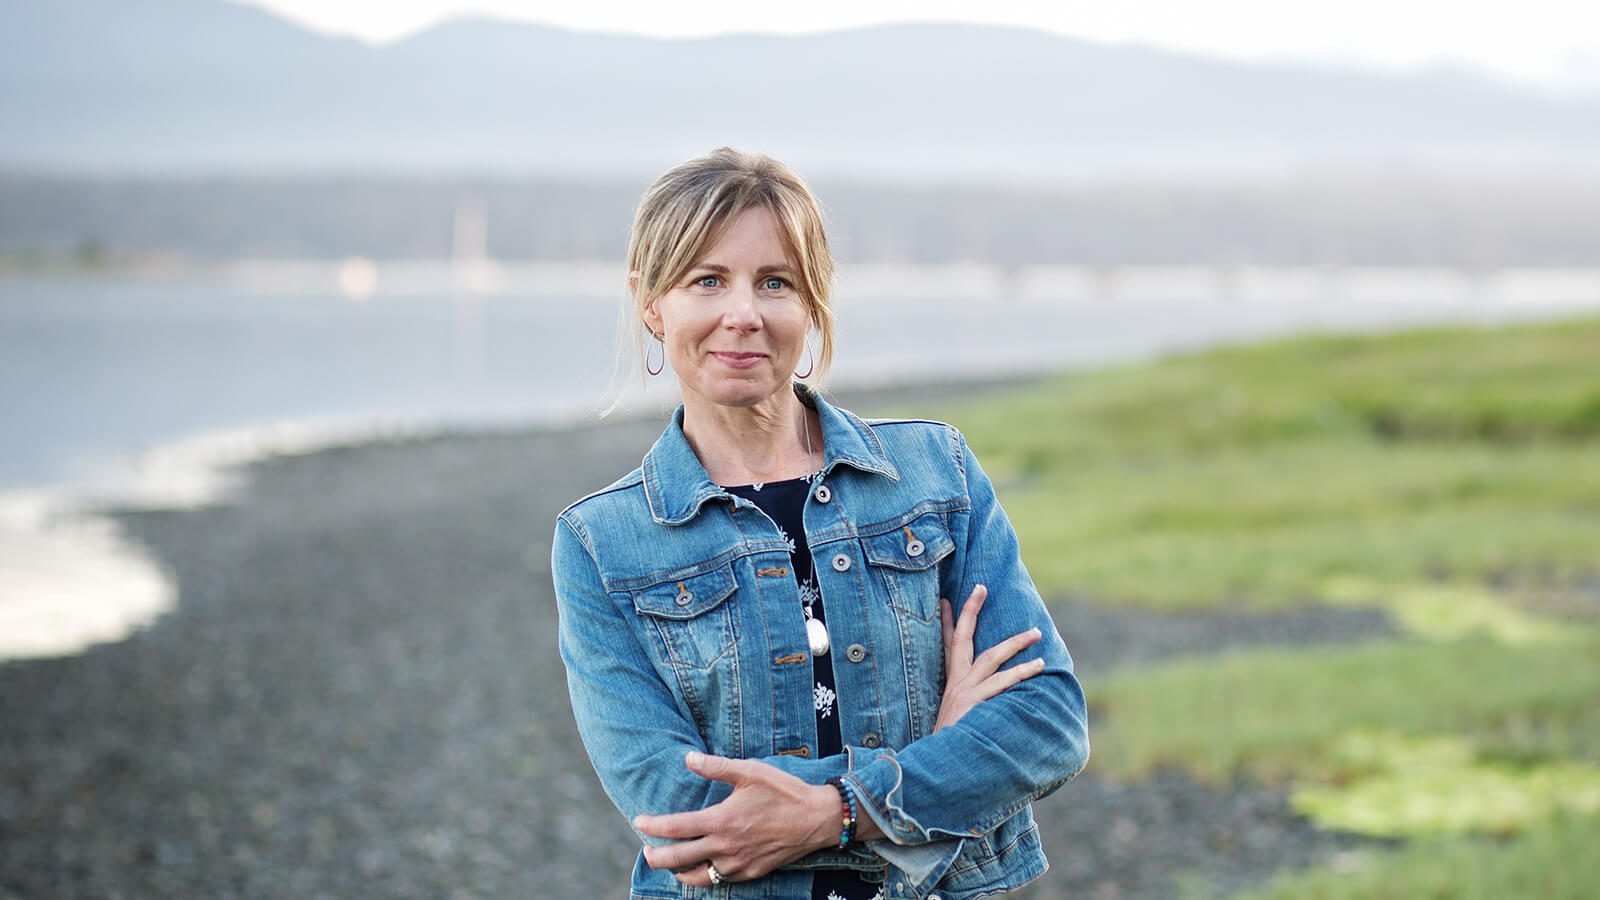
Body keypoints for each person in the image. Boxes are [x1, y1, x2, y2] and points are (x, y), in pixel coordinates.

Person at [551, 147, 1088, 900]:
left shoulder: (936, 473)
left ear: (812, 303)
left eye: (775, 282)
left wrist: (830, 812)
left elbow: (1048, 722)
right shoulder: (601, 544)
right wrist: (937, 756)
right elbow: (680, 815)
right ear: (651, 301)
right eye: (707, 280)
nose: (743, 313)